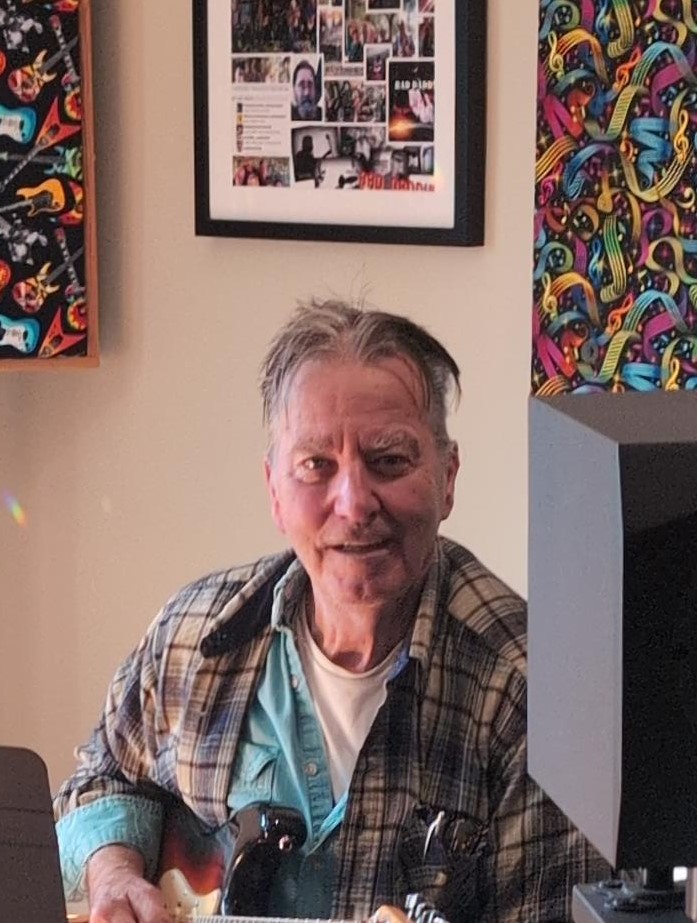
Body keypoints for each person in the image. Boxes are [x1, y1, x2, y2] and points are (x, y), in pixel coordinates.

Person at [54, 300, 609, 923]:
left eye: (389, 460)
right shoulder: (192, 635)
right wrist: (114, 873)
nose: (353, 502)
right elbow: (103, 775)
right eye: (316, 465)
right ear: (274, 490)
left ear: (448, 478)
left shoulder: (533, 696)